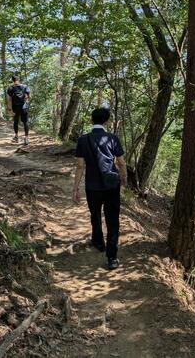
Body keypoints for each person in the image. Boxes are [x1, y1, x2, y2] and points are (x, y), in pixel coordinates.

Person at [72, 107, 127, 270]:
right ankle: (112, 257)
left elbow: (80, 166)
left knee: (94, 214)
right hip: (111, 185)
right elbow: (121, 162)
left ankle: (98, 241)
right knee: (112, 220)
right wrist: (123, 178)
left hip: (92, 186)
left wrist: (75, 188)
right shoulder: (112, 138)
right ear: (107, 121)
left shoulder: (83, 140)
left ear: (91, 120)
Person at [6, 75, 31, 145]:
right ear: (19, 79)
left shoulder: (10, 88)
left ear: (12, 80)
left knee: (16, 122)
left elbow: (9, 99)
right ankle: (26, 138)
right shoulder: (25, 87)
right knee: (25, 122)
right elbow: (29, 97)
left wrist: (9, 108)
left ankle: (16, 137)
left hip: (15, 108)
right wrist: (26, 103)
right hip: (24, 108)